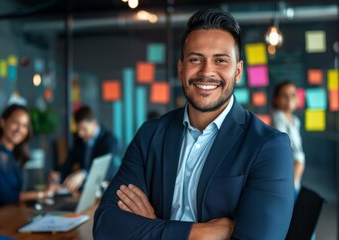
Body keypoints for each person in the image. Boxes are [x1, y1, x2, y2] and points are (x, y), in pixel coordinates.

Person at [94, 9, 294, 239]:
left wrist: (152, 227)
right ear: (180, 69)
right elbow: (106, 227)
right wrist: (198, 233)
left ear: (238, 72)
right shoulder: (150, 135)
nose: (206, 71)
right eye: (195, 59)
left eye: (220, 60)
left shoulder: (269, 146)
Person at [0, 104, 57, 209]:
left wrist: (49, 185)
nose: (19, 129)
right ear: (3, 123)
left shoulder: (15, 154)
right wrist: (42, 193)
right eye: (15, 123)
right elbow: (8, 197)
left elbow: (17, 191)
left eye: (24, 125)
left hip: (11, 214)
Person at [54, 105, 118, 192]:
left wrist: (83, 174)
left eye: (84, 129)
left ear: (94, 123)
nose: (80, 133)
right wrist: (59, 175)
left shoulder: (109, 140)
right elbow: (69, 162)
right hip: (85, 190)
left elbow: (106, 167)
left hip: (106, 189)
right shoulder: (79, 141)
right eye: (78, 129)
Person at [271, 81, 305, 191]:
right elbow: (283, 148)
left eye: (292, 95)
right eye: (284, 95)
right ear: (276, 99)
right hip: (287, 175)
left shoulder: (295, 120)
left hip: (295, 176)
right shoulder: (278, 117)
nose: (289, 99)